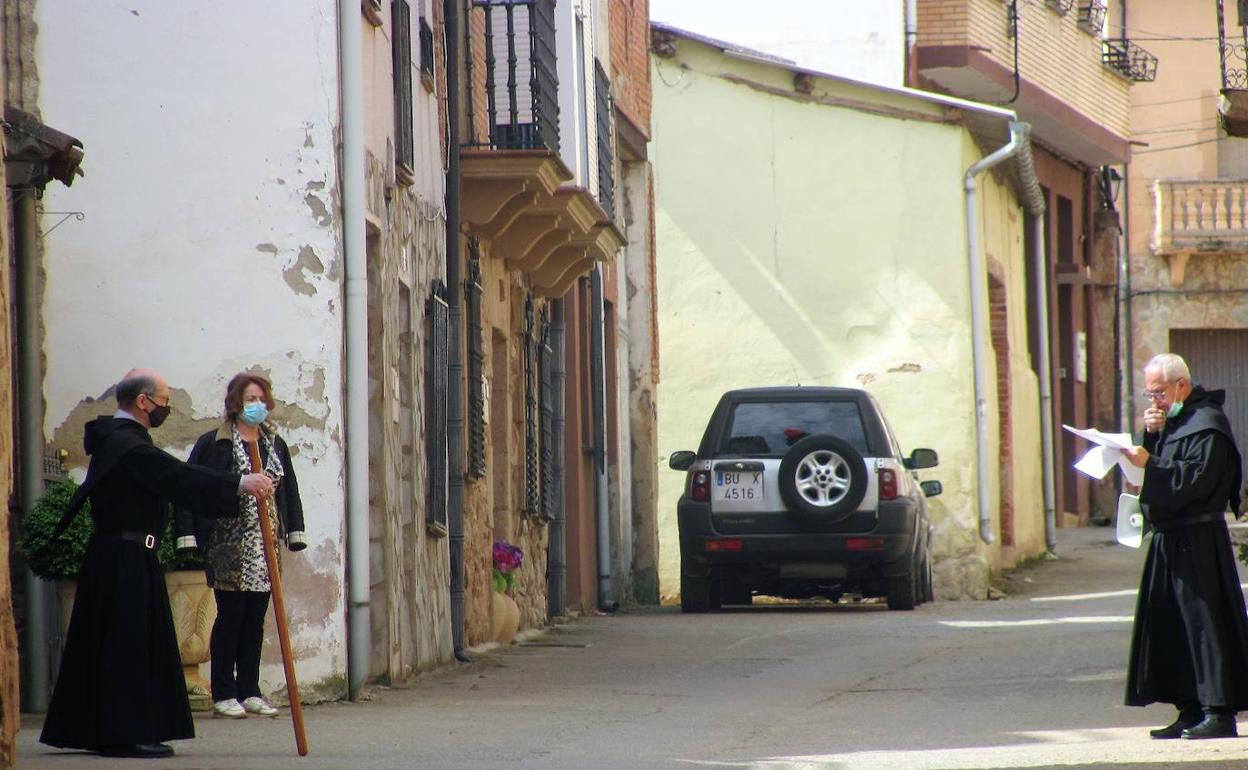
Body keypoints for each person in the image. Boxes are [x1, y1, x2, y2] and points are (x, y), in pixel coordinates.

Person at [39, 369, 274, 759]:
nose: (167, 406)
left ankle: (111, 728)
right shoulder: (126, 444)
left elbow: (167, 477)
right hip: (123, 559)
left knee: (125, 645)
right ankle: (122, 733)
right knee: (126, 647)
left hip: (128, 556)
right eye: (164, 399)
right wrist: (238, 484)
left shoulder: (123, 440)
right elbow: (174, 474)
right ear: (143, 401)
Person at [1123, 353, 1248, 739]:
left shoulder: (1208, 425)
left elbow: (1196, 483)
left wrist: (1151, 463)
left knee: (1205, 625)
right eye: (1149, 394)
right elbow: (1160, 468)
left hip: (1198, 540)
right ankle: (1189, 707)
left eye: (1159, 393)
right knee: (1172, 624)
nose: (1154, 402)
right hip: (1169, 538)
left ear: (1181, 385)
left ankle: (1219, 711)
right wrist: (1151, 439)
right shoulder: (1173, 423)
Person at [174, 372, 306, 720]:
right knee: (230, 616)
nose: (257, 406)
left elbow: (289, 487)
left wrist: (295, 532)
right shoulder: (214, 443)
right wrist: (187, 534)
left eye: (262, 399)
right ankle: (223, 691)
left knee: (255, 619)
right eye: (250, 399)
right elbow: (191, 486)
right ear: (236, 403)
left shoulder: (273, 443)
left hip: (265, 546)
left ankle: (250, 689)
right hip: (228, 543)